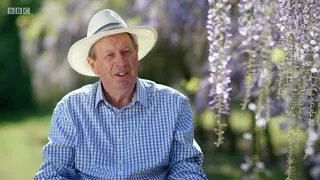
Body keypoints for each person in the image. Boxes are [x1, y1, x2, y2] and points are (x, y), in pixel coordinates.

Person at [34, 9, 207, 179]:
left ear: (136, 52)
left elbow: (187, 169)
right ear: (93, 65)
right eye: (110, 55)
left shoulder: (174, 105)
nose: (121, 61)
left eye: (126, 52)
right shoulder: (71, 109)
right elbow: (53, 173)